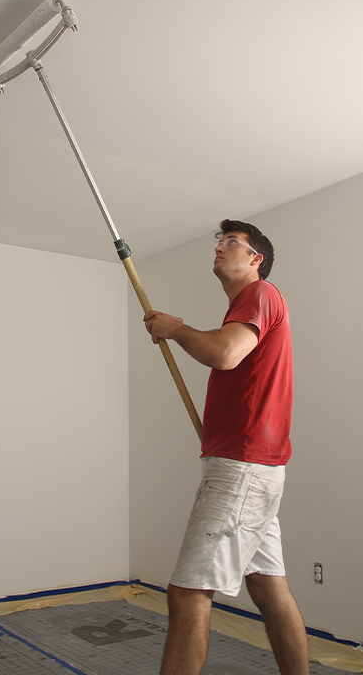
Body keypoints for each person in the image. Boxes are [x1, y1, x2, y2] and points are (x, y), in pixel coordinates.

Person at [143, 219, 308, 675]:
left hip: (243, 468)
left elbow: (225, 354)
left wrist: (176, 328)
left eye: (232, 242)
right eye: (220, 240)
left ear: (256, 260)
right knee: (270, 591)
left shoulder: (260, 293)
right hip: (253, 467)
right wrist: (177, 330)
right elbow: (230, 353)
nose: (220, 246)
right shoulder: (249, 305)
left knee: (189, 592)